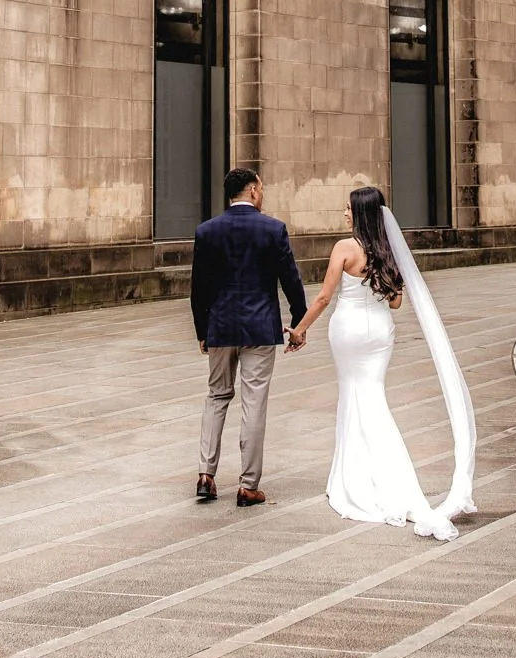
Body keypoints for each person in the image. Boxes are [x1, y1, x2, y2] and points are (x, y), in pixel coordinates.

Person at [287, 185, 476, 540]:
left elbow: (325, 296)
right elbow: (395, 304)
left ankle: (357, 478)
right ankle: (376, 475)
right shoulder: (388, 251)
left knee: (352, 395)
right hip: (379, 334)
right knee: (372, 395)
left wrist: (299, 330)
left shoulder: (344, 248)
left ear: (359, 213)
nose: (344, 214)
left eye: (348, 209)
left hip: (348, 330)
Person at [190, 165, 308, 506]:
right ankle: (247, 485)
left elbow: (198, 288)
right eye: (263, 188)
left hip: (221, 327)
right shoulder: (272, 229)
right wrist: (299, 322)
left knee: (216, 396)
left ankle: (205, 475)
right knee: (253, 402)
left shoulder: (207, 231)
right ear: (254, 191)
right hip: (259, 326)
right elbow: (290, 279)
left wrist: (202, 330)